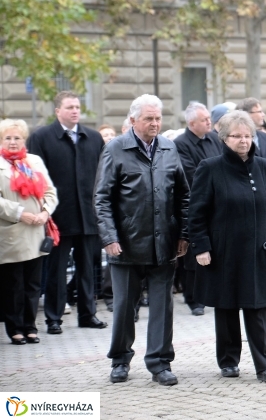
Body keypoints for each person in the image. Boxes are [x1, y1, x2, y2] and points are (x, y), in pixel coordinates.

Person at [188, 111, 266, 382]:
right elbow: (197, 212)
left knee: (258, 309)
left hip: (259, 251)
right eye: (237, 136)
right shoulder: (210, 167)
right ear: (224, 139)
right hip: (224, 251)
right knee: (226, 307)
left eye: (247, 136)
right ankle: (228, 361)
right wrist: (201, 247)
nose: (243, 141)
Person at [94, 94, 190, 386]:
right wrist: (109, 237)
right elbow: (102, 198)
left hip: (164, 245)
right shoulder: (115, 149)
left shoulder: (168, 148)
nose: (155, 123)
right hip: (126, 245)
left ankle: (160, 364)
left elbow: (183, 195)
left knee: (163, 307)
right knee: (124, 307)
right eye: (149, 118)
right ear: (133, 120)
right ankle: (120, 360)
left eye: (158, 118)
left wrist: (184, 234)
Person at [27, 91, 107, 335]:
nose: (75, 111)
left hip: (88, 215)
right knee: (56, 271)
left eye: (77, 107)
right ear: (57, 111)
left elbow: (103, 175)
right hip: (57, 218)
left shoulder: (93, 138)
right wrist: (44, 212)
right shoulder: (41, 137)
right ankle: (54, 318)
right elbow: (36, 179)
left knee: (87, 270)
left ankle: (87, 314)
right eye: (70, 107)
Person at [0, 119, 58, 345]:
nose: (13, 142)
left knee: (33, 285)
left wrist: (45, 212)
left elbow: (50, 192)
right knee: (14, 285)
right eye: (8, 138)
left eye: (17, 138)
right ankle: (14, 328)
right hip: (11, 232)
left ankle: (30, 326)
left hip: (36, 231)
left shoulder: (33, 161)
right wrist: (19, 212)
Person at [173, 102, 222, 317]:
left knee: (215, 250)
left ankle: (212, 292)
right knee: (194, 256)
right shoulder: (180, 144)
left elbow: (223, 164)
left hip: (218, 204)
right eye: (204, 120)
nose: (209, 122)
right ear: (192, 123)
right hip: (195, 204)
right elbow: (190, 174)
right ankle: (193, 299)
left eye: (209, 119)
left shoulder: (213, 138)